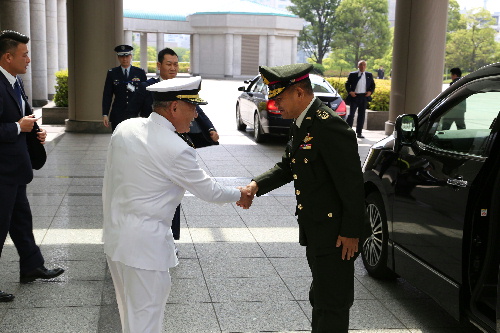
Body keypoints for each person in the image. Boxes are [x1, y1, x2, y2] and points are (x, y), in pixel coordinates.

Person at [102, 76, 251, 333]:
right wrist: (241, 193)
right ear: (173, 108)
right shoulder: (176, 148)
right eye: (192, 107)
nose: (195, 115)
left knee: (130, 315)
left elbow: (109, 183)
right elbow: (210, 192)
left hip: (116, 239)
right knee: (146, 321)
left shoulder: (125, 128)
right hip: (146, 249)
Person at [244, 63, 365, 333]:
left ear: (299, 93)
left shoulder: (329, 127)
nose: (275, 103)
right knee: (321, 295)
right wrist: (255, 185)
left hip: (337, 234)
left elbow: (353, 186)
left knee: (333, 301)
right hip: (317, 229)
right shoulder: (302, 123)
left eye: (280, 97)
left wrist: (351, 232)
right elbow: (287, 166)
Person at [128, 47, 219, 243]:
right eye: (168, 64)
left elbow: (197, 110)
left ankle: (171, 238)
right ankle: (148, 235)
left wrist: (210, 128)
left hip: (174, 145)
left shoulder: (182, 87)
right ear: (159, 65)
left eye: (176, 64)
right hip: (150, 147)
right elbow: (131, 114)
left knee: (174, 192)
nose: (173, 68)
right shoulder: (147, 87)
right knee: (153, 191)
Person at [0, 30, 64, 302]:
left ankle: (31, 265)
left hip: (16, 169)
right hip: (1, 171)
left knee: (21, 221)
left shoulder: (15, 81)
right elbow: (13, 123)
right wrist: (17, 127)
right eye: (24, 54)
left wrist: (33, 132)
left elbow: (23, 115)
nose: (28, 59)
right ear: (7, 56)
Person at [102, 44, 147, 131]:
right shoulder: (112, 73)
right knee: (118, 139)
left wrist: (145, 114)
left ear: (131, 56)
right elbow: (107, 94)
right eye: (122, 56)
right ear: (118, 57)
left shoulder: (140, 72)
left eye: (127, 56)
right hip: (118, 113)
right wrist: (105, 114)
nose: (124, 59)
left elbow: (145, 95)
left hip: (135, 113)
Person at [345, 60, 376, 139]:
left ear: (366, 66)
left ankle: (359, 132)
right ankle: (348, 132)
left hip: (364, 97)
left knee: (361, 115)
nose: (362, 66)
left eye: (364, 65)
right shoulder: (353, 74)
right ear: (358, 66)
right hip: (354, 96)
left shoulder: (369, 75)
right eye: (361, 65)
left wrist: (370, 92)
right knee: (351, 115)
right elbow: (347, 84)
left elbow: (372, 85)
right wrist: (350, 92)